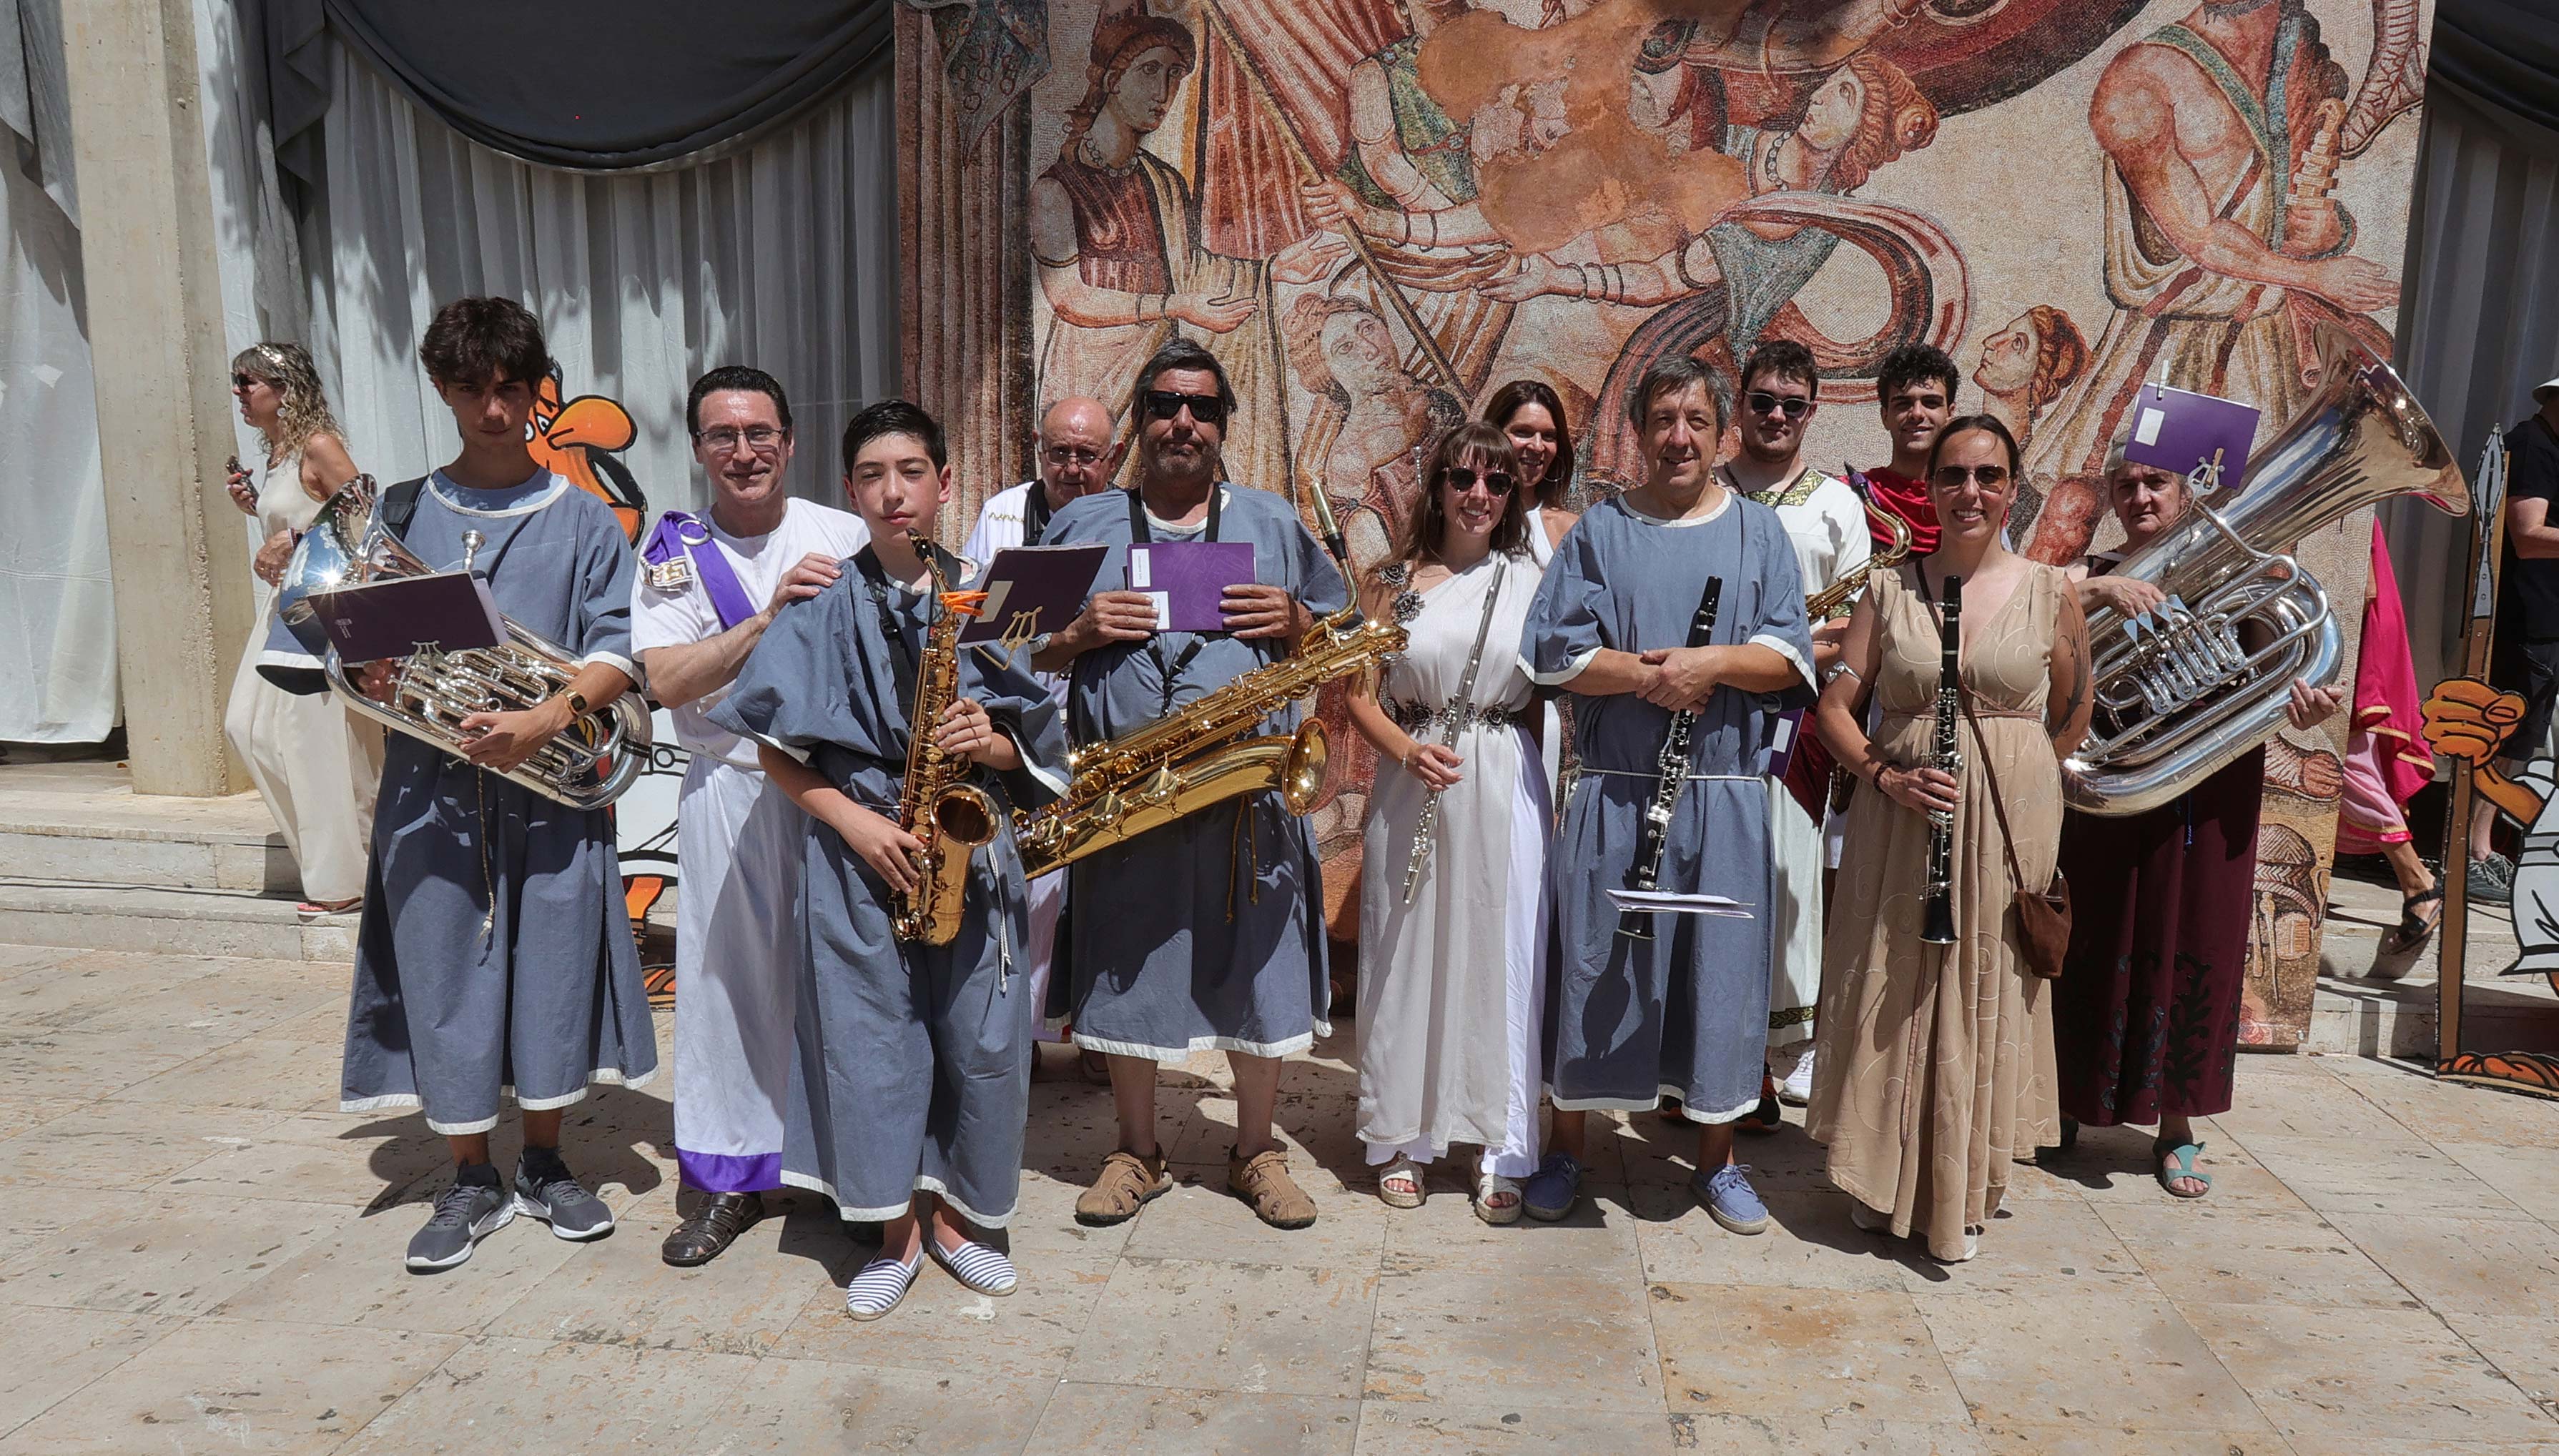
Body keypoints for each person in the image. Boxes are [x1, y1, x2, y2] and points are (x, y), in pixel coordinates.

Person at [265, 297, 655, 1273]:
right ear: (442, 389)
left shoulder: (584, 522)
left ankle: (548, 1161)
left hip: (550, 786)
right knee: (444, 976)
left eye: (511, 389)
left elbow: (617, 655)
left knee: (554, 972)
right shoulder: (395, 511)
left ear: (535, 390)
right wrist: (379, 668)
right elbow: (349, 655)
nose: (494, 409)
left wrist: (541, 719)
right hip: (429, 794)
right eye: (473, 389)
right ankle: (471, 1173)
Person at [711, 400, 1068, 1319]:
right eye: (872, 476)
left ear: (946, 484)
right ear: (850, 491)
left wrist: (989, 744)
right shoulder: (822, 597)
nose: (892, 492)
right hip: (858, 852)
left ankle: (957, 1219)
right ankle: (893, 1230)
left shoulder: (992, 595)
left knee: (979, 1039)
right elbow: (776, 750)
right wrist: (858, 828)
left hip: (966, 848)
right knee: (872, 1046)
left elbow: (1038, 738)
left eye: (911, 471)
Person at [1032, 339, 1348, 1232]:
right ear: (1138, 418)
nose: (1183, 422)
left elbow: (1342, 633)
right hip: (1125, 802)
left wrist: (1296, 620)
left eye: (1203, 408)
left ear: (1224, 425)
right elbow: (1011, 646)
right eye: (1166, 404)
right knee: (1131, 969)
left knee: (1258, 970)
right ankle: (1137, 1150)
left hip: (1248, 801)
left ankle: (1258, 1151)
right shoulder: (1080, 525)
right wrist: (1079, 631)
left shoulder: (1275, 523)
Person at [1518, 356, 1815, 1232]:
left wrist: (1710, 663)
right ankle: (1567, 1147)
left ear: (1718, 431)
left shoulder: (1758, 535)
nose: (1678, 437)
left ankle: (1716, 1164)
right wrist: (1656, 675)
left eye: (1694, 419)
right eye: (1662, 420)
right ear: (1638, 432)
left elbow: (1789, 659)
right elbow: (1551, 653)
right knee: (1594, 970)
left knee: (1719, 980)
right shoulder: (1602, 533)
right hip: (1617, 796)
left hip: (1723, 799)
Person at [1807, 414, 2092, 1263]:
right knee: (1896, 984)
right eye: (1955, 476)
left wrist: (2014, 771)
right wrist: (1887, 775)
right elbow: (1831, 710)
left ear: (2013, 487)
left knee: (1983, 986)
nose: (1972, 491)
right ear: (1930, 488)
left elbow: (2071, 718)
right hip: (1902, 815)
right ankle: (1884, 1173)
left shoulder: (2051, 591)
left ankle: (1963, 1184)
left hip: (2007, 819)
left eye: (1990, 475)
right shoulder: (1890, 589)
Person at [2048, 447, 2339, 1197]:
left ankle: (2177, 1126)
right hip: (2113, 791)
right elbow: (2027, 617)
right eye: (2127, 486)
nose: (2141, 496)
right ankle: (2065, 1107)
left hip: (2208, 791)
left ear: (2186, 492)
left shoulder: (2242, 577)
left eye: (2157, 484)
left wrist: (2300, 704)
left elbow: (2287, 670)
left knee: (2198, 946)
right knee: (2095, 940)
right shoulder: (2093, 571)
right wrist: (2102, 588)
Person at [630, 366, 871, 1266]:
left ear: (789, 440)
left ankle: (849, 1173)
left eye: (760, 432)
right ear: (698, 450)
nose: (744, 451)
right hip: (729, 787)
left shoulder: (841, 533)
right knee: (730, 987)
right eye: (723, 436)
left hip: (838, 789)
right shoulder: (673, 554)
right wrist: (768, 619)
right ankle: (730, 1184)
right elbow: (665, 681)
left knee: (842, 982)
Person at [1347, 422, 1549, 1222]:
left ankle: (1497, 1137)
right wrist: (1406, 751)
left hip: (1504, 774)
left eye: (1497, 484)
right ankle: (1402, 1135)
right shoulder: (1388, 581)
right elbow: (1359, 692)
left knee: (1501, 953)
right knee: (1407, 953)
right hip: (1413, 775)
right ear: (1437, 486)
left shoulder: (1533, 581)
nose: (1479, 496)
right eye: (1464, 478)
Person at [1719, 341, 1870, 1120]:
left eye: (1793, 404)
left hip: (1795, 714)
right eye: (1762, 401)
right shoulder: (1703, 492)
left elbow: (1858, 617)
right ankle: (1707, 1060)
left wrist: (1783, 649)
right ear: (1738, 403)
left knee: (1789, 879)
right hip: (1711, 711)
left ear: (1813, 411)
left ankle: (1785, 1054)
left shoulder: (1837, 504)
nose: (1775, 415)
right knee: (1712, 880)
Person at [962, 395, 1128, 1081]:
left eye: (1087, 455)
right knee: (1022, 882)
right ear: (1037, 446)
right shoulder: (1001, 515)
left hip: (1103, 723)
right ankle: (1019, 1029)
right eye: (1059, 451)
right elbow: (979, 624)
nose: (1072, 467)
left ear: (1112, 459)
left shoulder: (1132, 518)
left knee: (1101, 886)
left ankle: (1097, 1029)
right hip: (1019, 729)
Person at [221, 342, 382, 914]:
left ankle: (343, 880)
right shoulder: (278, 454)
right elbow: (307, 515)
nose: (238, 391)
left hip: (320, 610)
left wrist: (289, 540)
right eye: (237, 382)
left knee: (312, 743)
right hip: (282, 612)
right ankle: (344, 863)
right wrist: (258, 510)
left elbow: (366, 517)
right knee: (248, 728)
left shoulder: (319, 445)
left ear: (284, 389)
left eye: (247, 381)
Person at [2469, 377, 2559, 906]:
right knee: (2508, 737)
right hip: (2527, 621)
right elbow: (2527, 536)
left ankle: (2478, 847)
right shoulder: (2533, 445)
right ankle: (2473, 851)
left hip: (2540, 620)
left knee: (2518, 740)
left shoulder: (2543, 444)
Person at [2335, 520, 2440, 965]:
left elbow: (2360, 586)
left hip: (2341, 629)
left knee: (2342, 766)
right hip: (2334, 624)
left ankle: (2418, 881)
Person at [1860, 344, 1956, 555]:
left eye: (1931, 403)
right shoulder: (1854, 497)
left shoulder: (1971, 499)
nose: (1917, 414)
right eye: (1903, 404)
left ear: (1949, 414)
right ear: (1884, 416)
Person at [1484, 378, 1580, 564]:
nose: (1538, 447)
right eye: (1523, 432)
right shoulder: (1465, 518)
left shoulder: (1570, 531)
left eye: (1548, 436)